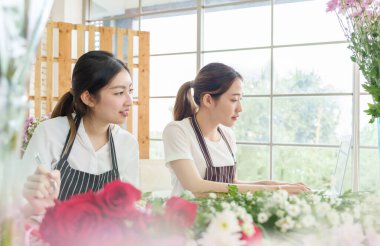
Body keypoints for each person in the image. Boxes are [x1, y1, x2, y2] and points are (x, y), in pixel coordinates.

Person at [162, 62, 310, 196]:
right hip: (185, 220)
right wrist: (274, 190)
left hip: (221, 219)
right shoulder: (177, 131)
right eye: (233, 100)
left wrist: (275, 184)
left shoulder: (228, 135)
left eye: (241, 99)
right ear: (207, 99)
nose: (240, 108)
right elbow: (195, 186)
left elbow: (233, 184)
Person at [22, 50, 139, 216]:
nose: (129, 101)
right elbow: (20, 206)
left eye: (131, 91)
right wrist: (35, 202)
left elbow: (130, 210)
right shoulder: (50, 133)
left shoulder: (127, 143)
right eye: (119, 93)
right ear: (88, 98)